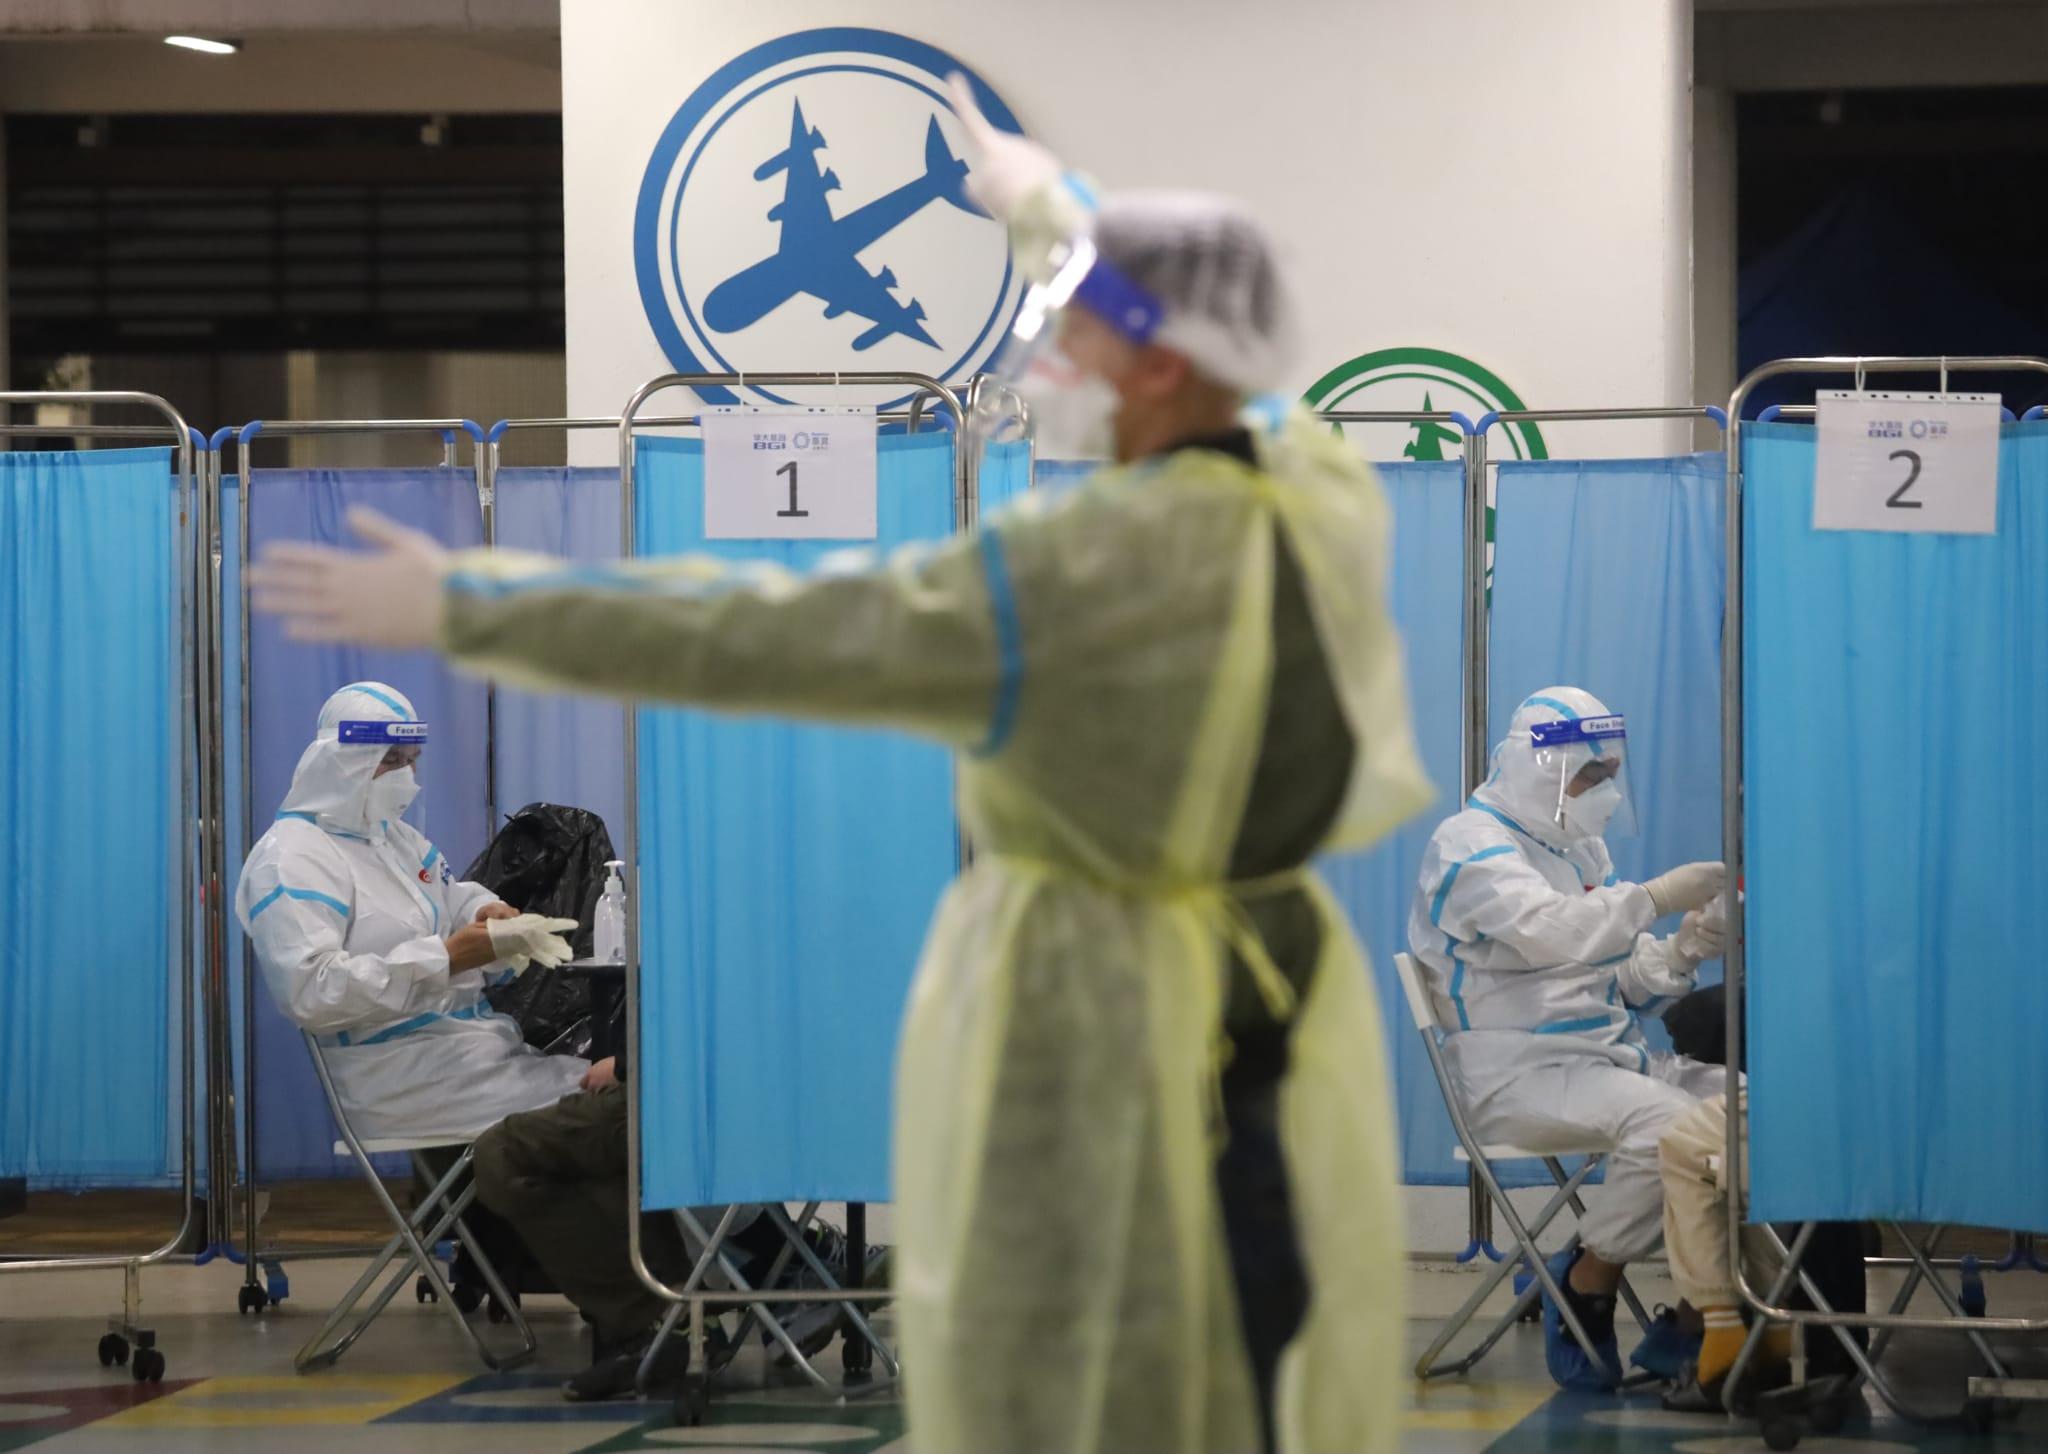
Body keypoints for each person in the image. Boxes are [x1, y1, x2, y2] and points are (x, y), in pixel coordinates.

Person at [248, 90, 1432, 1454]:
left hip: (1110, 1005)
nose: (1064, 357)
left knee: (1099, 1349)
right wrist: (1047, 206)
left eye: (1088, 329)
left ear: (1160, 364)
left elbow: (765, 630)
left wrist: (476, 603)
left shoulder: (1088, 565)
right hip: (1278, 987)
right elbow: (1224, 359)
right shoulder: (1312, 486)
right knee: (1253, 1313)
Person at [1407, 687, 1728, 1391]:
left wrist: (1688, 947)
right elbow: (1555, 934)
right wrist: (1655, 896)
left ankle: (1700, 1319)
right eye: (1589, 776)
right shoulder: (1469, 845)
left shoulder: (1579, 848)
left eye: (1611, 775)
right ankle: (1588, 1274)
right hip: (1519, 1076)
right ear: (1539, 769)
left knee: (1747, 1112)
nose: (1605, 792)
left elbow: (1624, 980)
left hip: (1609, 1062)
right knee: (1671, 1126)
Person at [235, 681, 587, 1144]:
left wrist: (486, 911)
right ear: (341, 761)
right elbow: (313, 993)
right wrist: (447, 959)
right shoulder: (292, 858)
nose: (406, 776)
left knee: (617, 1092)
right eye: (391, 760)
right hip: (403, 1077)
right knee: (615, 1111)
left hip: (473, 1051)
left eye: (412, 760)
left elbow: (449, 897)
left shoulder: (393, 837)